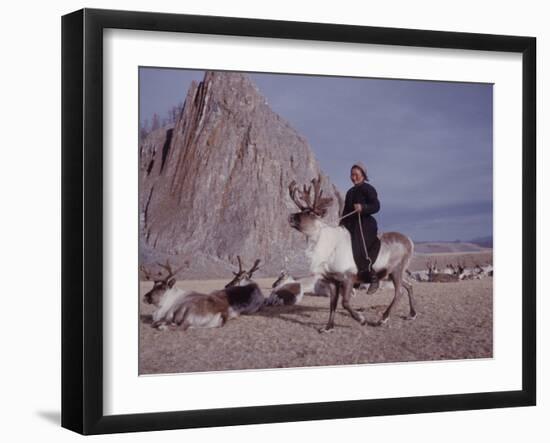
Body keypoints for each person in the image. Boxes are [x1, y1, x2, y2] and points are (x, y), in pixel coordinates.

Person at [340, 162, 381, 294]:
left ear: (363, 175)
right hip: (352, 224)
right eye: (352, 175)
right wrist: (341, 225)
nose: (353, 177)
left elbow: (376, 206)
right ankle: (355, 277)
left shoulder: (368, 189)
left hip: (366, 224)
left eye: (356, 174)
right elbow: (346, 212)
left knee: (359, 245)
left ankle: (373, 277)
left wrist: (363, 208)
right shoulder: (349, 192)